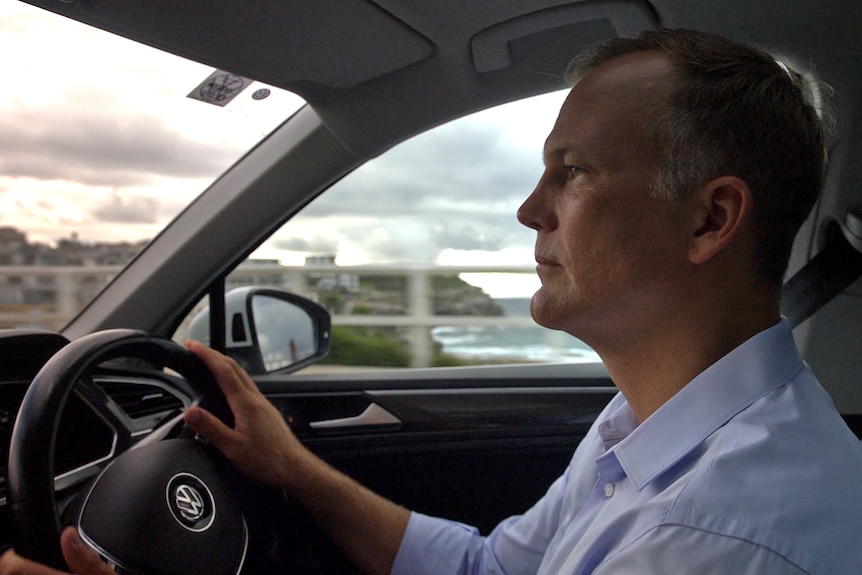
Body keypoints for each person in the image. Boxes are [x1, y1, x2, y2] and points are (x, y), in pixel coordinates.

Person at [2, 27, 862, 575]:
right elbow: (486, 569)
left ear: (711, 218)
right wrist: (291, 466)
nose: (530, 208)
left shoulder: (720, 537)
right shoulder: (647, 428)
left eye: (575, 172)